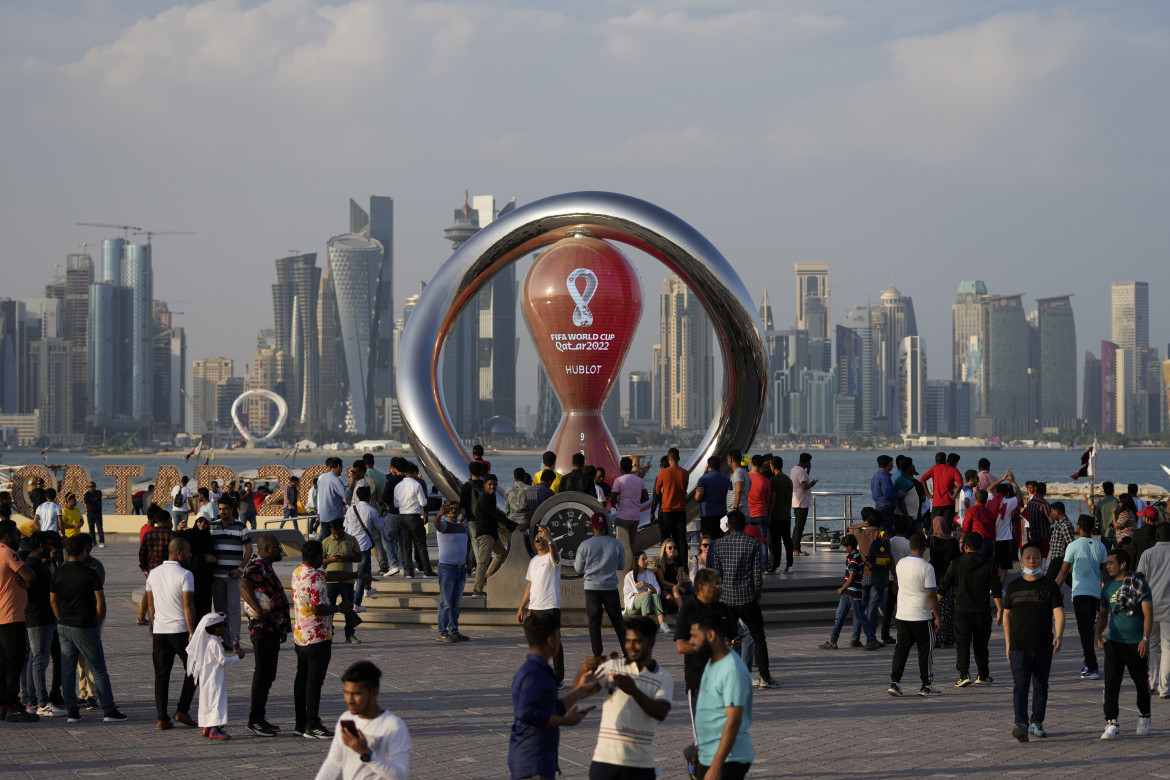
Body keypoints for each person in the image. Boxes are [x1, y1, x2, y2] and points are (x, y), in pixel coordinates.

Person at [509, 612, 600, 780]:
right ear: (551, 641)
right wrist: (567, 721)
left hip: (538, 761)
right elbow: (528, 714)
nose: (559, 640)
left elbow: (552, 709)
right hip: (533, 763)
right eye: (558, 636)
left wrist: (580, 690)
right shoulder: (535, 673)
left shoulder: (537, 670)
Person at [292, 539, 367, 739]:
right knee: (314, 683)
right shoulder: (315, 579)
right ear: (318, 557)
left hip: (301, 636)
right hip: (317, 637)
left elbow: (331, 575)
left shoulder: (300, 572)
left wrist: (356, 574)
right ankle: (312, 725)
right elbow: (318, 608)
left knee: (302, 679)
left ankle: (300, 724)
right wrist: (339, 608)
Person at [50, 533, 127, 723]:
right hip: (85, 625)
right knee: (98, 668)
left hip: (65, 626)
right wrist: (97, 623)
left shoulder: (59, 572)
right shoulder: (90, 572)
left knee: (67, 669)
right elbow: (101, 603)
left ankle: (72, 712)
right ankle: (109, 710)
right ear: (84, 551)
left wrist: (61, 619)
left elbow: (53, 601)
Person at [589, 615, 673, 780]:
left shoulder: (663, 677)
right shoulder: (613, 666)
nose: (631, 646)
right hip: (604, 761)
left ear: (652, 642)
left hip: (640, 765)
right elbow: (584, 690)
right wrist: (584, 672)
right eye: (628, 641)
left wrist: (633, 691)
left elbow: (661, 713)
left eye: (637, 641)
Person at [1002, 542, 1064, 741]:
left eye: (1035, 557)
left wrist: (1059, 635)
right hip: (1018, 646)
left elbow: (1059, 612)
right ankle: (1020, 723)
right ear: (1021, 561)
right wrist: (1007, 642)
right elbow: (1006, 615)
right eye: (1028, 557)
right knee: (1020, 686)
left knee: (1041, 686)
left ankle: (1037, 722)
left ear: (1042, 560)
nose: (1032, 560)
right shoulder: (1013, 587)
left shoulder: (1050, 586)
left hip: (1043, 646)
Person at [708, 511, 777, 688]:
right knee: (758, 636)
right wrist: (758, 592)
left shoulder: (718, 545)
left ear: (729, 526)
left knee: (723, 638)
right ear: (744, 525)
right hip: (747, 597)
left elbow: (718, 574)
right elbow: (757, 573)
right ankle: (764, 677)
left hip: (726, 598)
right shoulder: (753, 543)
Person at [313, 661, 411, 780]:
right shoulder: (346, 718)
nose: (349, 700)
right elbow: (334, 762)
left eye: (356, 694)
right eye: (346, 693)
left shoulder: (393, 726)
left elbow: (401, 775)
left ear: (374, 692)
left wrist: (366, 754)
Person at [1095, 547, 1153, 740]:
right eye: (1107, 563)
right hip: (1114, 643)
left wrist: (1145, 638)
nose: (1107, 566)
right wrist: (1097, 634)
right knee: (1111, 683)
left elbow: (1147, 614)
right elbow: (1103, 615)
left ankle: (1144, 715)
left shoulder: (1139, 584)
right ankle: (1111, 722)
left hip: (1137, 644)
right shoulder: (1107, 588)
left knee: (1141, 684)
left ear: (1123, 564)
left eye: (1111, 563)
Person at [691, 610, 754, 780]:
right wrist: (701, 747)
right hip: (710, 753)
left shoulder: (732, 670)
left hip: (729, 759)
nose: (691, 642)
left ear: (710, 635)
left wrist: (716, 766)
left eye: (695, 636)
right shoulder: (713, 662)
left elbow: (733, 721)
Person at [239, 534, 291, 738]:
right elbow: (243, 585)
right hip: (262, 630)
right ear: (267, 549)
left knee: (268, 674)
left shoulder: (265, 565)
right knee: (263, 674)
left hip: (271, 629)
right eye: (278, 547)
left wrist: (280, 627)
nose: (280, 550)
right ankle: (255, 720)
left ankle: (259, 717)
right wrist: (257, 609)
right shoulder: (257, 565)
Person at [145, 537, 198, 731]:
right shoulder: (185, 575)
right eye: (189, 551)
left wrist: (155, 623)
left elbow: (151, 605)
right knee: (195, 669)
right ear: (179, 552)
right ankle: (182, 709)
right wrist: (192, 632)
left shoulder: (153, 573)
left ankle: (162, 718)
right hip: (180, 631)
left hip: (160, 630)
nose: (190, 555)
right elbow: (188, 605)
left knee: (161, 675)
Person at [939, 532, 1002, 687]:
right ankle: (983, 674)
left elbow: (943, 587)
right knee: (981, 644)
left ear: (964, 547)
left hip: (961, 611)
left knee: (962, 643)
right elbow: (996, 589)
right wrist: (1000, 609)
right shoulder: (989, 565)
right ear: (980, 547)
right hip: (982, 611)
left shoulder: (956, 564)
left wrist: (933, 608)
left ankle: (964, 674)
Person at [1055, 515, 1109, 682]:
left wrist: (1052, 590)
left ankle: (1092, 667)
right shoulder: (1100, 546)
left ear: (1078, 527)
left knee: (1084, 631)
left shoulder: (1073, 546)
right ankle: (1094, 652)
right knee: (1091, 627)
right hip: (1096, 594)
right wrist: (1107, 593)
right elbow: (1105, 573)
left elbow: (1063, 572)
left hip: (1080, 593)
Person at [887, 533, 941, 698]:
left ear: (910, 546)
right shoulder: (927, 567)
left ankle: (895, 682)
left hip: (903, 615)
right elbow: (931, 594)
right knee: (925, 650)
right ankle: (926, 684)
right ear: (924, 548)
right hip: (922, 616)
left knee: (901, 649)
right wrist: (937, 616)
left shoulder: (901, 564)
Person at [186, 612, 245, 740]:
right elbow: (223, 660)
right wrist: (237, 657)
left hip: (207, 678)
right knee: (217, 702)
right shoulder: (215, 642)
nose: (225, 629)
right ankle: (215, 729)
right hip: (215, 679)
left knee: (208, 702)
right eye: (224, 626)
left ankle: (207, 726)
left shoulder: (206, 641)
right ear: (217, 628)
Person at [517, 524, 564, 686]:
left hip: (550, 606)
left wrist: (550, 540)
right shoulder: (533, 561)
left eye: (542, 539)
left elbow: (556, 558)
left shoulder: (552, 557)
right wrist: (522, 607)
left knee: (554, 641)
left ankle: (558, 678)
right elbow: (530, 586)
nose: (540, 541)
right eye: (537, 539)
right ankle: (538, 673)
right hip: (535, 608)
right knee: (536, 642)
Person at [576, 512, 627, 659]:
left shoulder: (585, 545)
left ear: (592, 526)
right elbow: (621, 565)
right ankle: (627, 652)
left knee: (594, 623)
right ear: (606, 527)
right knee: (618, 621)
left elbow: (578, 569)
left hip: (592, 588)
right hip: (610, 587)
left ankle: (597, 654)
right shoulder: (616, 544)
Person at [0, 519, 36, 722]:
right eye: (16, 534)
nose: (18, 538)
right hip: (11, 616)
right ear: (6, 535)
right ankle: (13, 705)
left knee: (3, 662)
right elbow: (30, 576)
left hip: (1, 616)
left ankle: (3, 704)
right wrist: (24, 581)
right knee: (15, 662)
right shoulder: (7, 553)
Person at [820, 533, 881, 651]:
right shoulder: (850, 556)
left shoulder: (855, 558)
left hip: (854, 592)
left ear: (850, 546)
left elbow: (851, 577)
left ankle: (872, 639)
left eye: (845, 546)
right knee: (840, 616)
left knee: (860, 616)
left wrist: (841, 589)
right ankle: (833, 641)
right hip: (847, 593)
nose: (844, 548)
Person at [210, 499, 252, 649]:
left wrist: (240, 569)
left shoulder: (241, 526)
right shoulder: (212, 526)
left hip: (234, 576)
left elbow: (249, 549)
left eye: (225, 509)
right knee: (221, 611)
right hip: (217, 577)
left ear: (232, 509)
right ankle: (226, 640)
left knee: (234, 609)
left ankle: (235, 640)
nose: (222, 512)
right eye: (220, 509)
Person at [847, 509, 889, 648]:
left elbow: (851, 528)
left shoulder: (860, 533)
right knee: (873, 608)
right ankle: (871, 639)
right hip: (879, 575)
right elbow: (889, 557)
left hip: (862, 575)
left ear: (867, 520)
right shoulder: (883, 535)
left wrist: (864, 524)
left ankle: (854, 638)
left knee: (860, 608)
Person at [1138, 522, 1170, 699]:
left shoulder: (1148, 554)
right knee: (1167, 647)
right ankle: (1165, 688)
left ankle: (1151, 683)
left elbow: (1139, 580)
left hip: (1149, 607)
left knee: (1151, 645)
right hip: (1168, 608)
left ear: (1157, 536)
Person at [323, 519, 364, 644]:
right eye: (334, 534)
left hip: (347, 580)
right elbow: (320, 560)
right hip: (330, 581)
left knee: (348, 608)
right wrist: (331, 559)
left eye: (339, 533)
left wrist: (349, 557)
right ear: (331, 531)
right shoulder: (326, 541)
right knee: (330, 608)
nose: (337, 536)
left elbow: (359, 557)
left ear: (343, 529)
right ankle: (328, 633)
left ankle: (350, 634)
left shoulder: (351, 539)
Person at [473, 474, 514, 597]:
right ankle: (477, 589)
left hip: (492, 532)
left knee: (501, 554)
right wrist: (514, 524)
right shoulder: (484, 499)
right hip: (485, 533)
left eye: (494, 484)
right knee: (483, 561)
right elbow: (496, 514)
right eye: (490, 484)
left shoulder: (492, 496)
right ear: (485, 485)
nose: (492, 486)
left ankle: (487, 577)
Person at [434, 501, 469, 643]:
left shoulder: (461, 527)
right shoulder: (444, 524)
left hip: (460, 569)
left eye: (456, 509)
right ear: (446, 510)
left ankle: (453, 630)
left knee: (456, 602)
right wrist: (439, 514)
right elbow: (437, 526)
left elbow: (464, 545)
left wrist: (468, 561)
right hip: (447, 568)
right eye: (450, 509)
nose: (453, 511)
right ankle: (441, 632)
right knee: (445, 602)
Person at [393, 463, 434, 578]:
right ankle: (427, 570)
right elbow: (423, 503)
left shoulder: (398, 485)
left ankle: (409, 572)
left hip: (402, 516)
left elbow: (396, 504)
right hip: (414, 517)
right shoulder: (417, 484)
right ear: (415, 473)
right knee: (420, 544)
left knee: (406, 545)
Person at [342, 486, 377, 613]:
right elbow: (378, 526)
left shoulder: (351, 510)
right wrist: (382, 516)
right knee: (361, 573)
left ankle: (368, 589)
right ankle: (356, 603)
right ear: (369, 497)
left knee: (365, 569)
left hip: (351, 545)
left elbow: (345, 527)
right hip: (363, 545)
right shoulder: (371, 510)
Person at [178, 513, 216, 620]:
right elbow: (178, 543)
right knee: (192, 605)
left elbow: (214, 553)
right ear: (196, 521)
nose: (202, 524)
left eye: (205, 522)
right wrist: (179, 530)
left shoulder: (209, 537)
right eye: (200, 521)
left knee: (204, 607)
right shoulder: (189, 534)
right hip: (192, 575)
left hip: (205, 578)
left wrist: (214, 559)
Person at [654, 448, 689, 558]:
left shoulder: (663, 472)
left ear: (668, 458)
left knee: (665, 538)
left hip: (667, 510)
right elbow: (684, 489)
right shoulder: (685, 473)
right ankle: (683, 566)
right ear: (678, 458)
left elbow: (657, 490)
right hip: (680, 509)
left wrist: (664, 490)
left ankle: (664, 562)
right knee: (681, 538)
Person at [623, 551, 668, 632]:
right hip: (633, 607)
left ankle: (662, 624)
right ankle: (645, 625)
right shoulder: (629, 576)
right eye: (643, 559)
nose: (646, 561)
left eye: (646, 559)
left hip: (647, 605)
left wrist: (648, 585)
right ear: (637, 562)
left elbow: (658, 591)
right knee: (646, 596)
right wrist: (642, 594)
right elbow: (627, 594)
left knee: (654, 596)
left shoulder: (650, 574)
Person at [610, 457, 649, 543]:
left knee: (621, 543)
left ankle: (623, 557)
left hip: (623, 517)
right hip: (636, 517)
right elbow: (646, 497)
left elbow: (613, 497)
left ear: (621, 468)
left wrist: (614, 503)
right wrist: (636, 502)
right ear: (631, 468)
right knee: (631, 543)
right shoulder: (639, 480)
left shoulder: (619, 480)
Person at [765, 457, 792, 573]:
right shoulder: (788, 480)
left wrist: (769, 515)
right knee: (787, 540)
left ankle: (775, 565)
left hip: (776, 515)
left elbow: (773, 500)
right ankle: (789, 564)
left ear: (773, 466)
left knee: (776, 541)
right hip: (786, 514)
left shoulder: (773, 480)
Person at [655, 539, 693, 612]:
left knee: (676, 592)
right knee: (669, 597)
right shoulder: (659, 561)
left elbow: (680, 578)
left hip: (674, 585)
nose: (672, 549)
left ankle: (682, 612)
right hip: (663, 586)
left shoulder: (677, 560)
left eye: (674, 547)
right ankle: (682, 609)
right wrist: (674, 586)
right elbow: (662, 581)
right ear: (664, 549)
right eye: (670, 548)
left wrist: (678, 585)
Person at [789, 453, 816, 557]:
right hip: (802, 502)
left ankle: (794, 547)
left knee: (797, 525)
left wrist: (808, 471)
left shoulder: (794, 469)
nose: (809, 464)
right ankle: (796, 548)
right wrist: (811, 485)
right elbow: (804, 486)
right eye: (809, 462)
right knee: (800, 526)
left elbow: (802, 480)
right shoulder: (801, 471)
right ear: (806, 461)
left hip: (796, 501)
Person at [316, 457, 349, 539]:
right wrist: (351, 483)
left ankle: (315, 550)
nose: (341, 470)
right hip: (334, 516)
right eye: (341, 467)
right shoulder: (335, 479)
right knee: (337, 538)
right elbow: (346, 495)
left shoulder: (322, 478)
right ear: (338, 466)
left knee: (325, 538)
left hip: (323, 515)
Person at [870, 455, 900, 533]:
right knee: (886, 532)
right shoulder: (885, 477)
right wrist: (898, 494)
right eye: (891, 464)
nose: (893, 466)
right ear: (888, 464)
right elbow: (887, 494)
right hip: (886, 509)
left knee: (882, 530)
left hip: (878, 506)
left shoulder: (875, 476)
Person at [1046, 501, 1075, 582]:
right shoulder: (1060, 523)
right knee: (1067, 579)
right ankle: (1081, 591)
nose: (1051, 514)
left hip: (1059, 556)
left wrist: (1070, 562)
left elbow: (1071, 543)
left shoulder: (1065, 525)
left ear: (1057, 512)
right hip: (1056, 556)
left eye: (1052, 512)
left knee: (1048, 579)